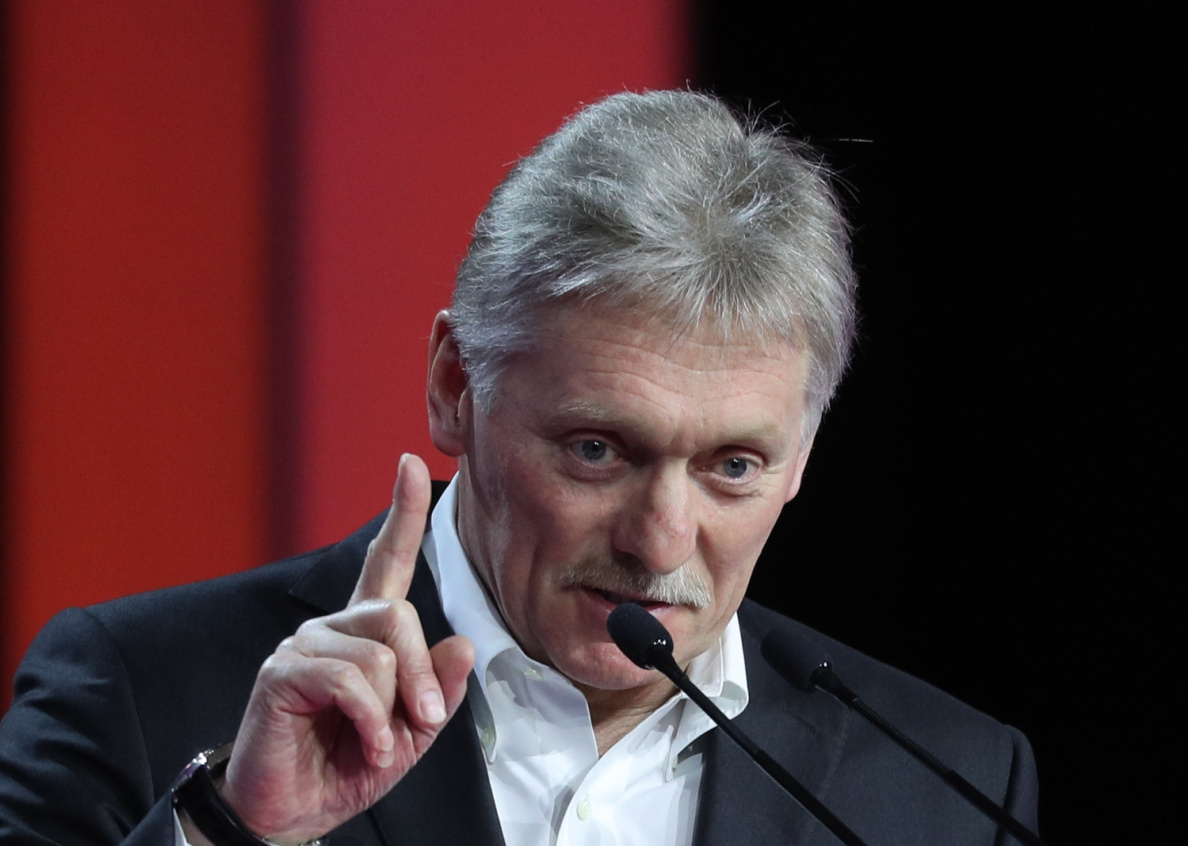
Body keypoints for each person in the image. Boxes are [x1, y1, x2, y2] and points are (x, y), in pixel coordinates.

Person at [0, 91, 1038, 846]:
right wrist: (235, 833)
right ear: (456, 385)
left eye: (732, 466)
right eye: (598, 450)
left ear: (802, 457)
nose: (659, 543)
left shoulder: (946, 786)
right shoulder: (141, 692)